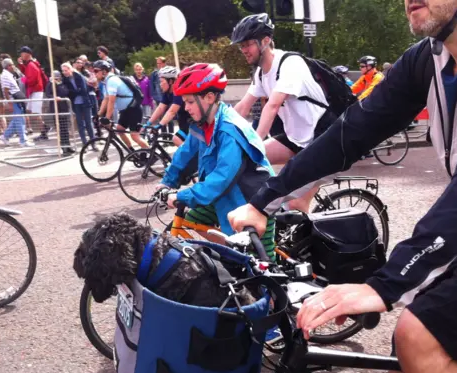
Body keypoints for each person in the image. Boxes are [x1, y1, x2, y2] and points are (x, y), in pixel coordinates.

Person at [228, 1, 457, 373]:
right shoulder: (427, 58)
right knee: (404, 358)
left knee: (419, 337)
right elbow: (352, 132)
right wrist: (266, 198)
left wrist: (387, 283)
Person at [155, 63, 277, 259]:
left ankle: (247, 261)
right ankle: (231, 253)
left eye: (190, 102)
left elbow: (222, 178)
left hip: (253, 201)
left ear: (209, 97)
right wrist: (166, 182)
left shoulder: (229, 130)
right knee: (193, 219)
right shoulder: (202, 125)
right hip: (225, 196)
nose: (185, 108)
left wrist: (182, 195)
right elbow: (185, 154)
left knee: (263, 268)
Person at [231, 13, 337, 212]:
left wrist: (253, 144)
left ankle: (307, 241)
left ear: (266, 40)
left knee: (295, 204)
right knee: (242, 162)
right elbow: (243, 108)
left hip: (323, 140)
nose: (243, 50)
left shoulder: (290, 64)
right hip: (296, 139)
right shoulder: (261, 73)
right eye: (241, 46)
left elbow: (272, 106)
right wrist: (219, 134)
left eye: (247, 44)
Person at [94, 60, 149, 151]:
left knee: (134, 136)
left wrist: (107, 118)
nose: (94, 74)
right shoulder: (106, 82)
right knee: (120, 129)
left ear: (104, 71)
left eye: (96, 71)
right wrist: (98, 114)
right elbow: (106, 99)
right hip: (125, 110)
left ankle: (151, 154)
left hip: (133, 109)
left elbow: (111, 101)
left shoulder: (112, 81)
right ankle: (131, 152)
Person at [144, 66, 191, 147]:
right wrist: (148, 123)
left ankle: (193, 159)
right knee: (184, 145)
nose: (160, 84)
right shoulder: (168, 92)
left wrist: (160, 125)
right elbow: (160, 108)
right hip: (183, 121)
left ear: (171, 81)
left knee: (176, 139)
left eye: (162, 81)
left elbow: (172, 111)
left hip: (192, 121)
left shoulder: (179, 91)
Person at [0, 58, 31, 147]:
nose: (14, 66)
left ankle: (5, 136)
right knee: (19, 120)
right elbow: (6, 90)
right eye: (12, 64)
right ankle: (23, 141)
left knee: (17, 120)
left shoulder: (7, 75)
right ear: (8, 66)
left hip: (15, 99)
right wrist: (9, 103)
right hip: (13, 100)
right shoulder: (5, 76)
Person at [62, 61, 95, 146]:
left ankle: (93, 143)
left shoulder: (78, 76)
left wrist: (74, 92)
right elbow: (68, 92)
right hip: (75, 103)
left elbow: (84, 90)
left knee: (89, 123)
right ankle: (85, 144)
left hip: (85, 101)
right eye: (63, 71)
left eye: (66, 70)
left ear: (70, 69)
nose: (64, 72)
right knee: (80, 124)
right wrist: (76, 91)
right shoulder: (65, 79)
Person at [44, 70, 76, 156]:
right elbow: (48, 94)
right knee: (60, 129)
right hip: (56, 109)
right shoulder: (50, 84)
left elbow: (66, 92)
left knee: (65, 129)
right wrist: (55, 96)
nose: (57, 78)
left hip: (64, 108)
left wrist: (60, 85)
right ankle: (64, 147)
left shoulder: (62, 83)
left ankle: (68, 146)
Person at [17, 46, 47, 139]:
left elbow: (32, 79)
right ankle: (44, 128)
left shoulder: (31, 65)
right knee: (31, 111)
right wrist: (21, 65)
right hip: (35, 90)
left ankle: (44, 130)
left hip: (36, 90)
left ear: (27, 54)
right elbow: (27, 73)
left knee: (36, 112)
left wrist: (23, 80)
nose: (21, 55)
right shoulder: (31, 64)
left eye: (22, 53)